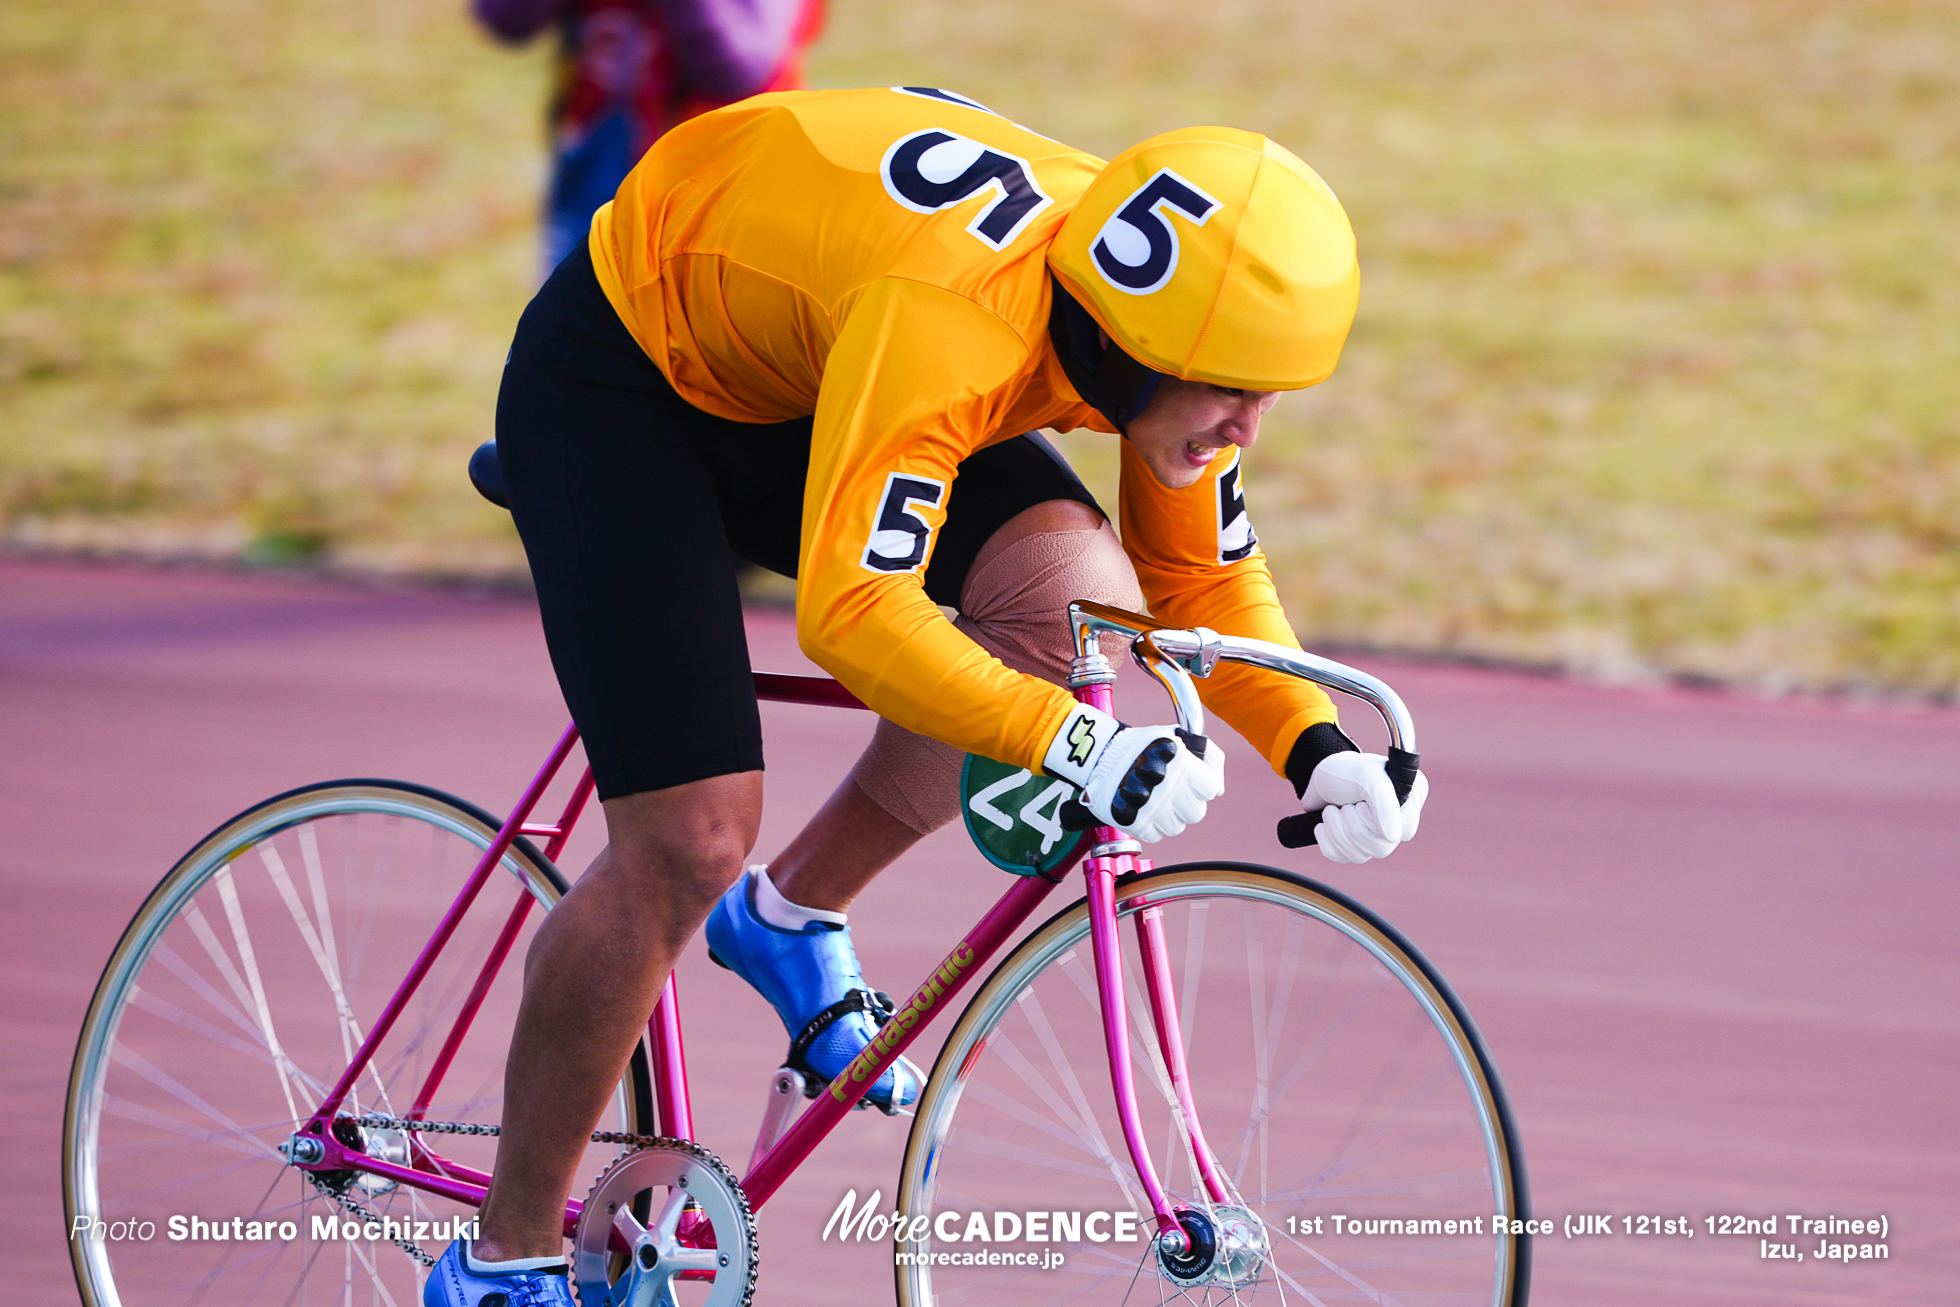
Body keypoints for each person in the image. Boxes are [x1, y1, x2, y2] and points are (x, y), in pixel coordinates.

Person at [423, 85, 1429, 1305]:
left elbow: (1199, 574)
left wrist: (1318, 750)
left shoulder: (1136, 325)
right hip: (629, 382)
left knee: (1072, 605)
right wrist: (1069, 742)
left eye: (1271, 394)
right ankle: (504, 1258)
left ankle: (788, 917)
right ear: (1128, 342)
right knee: (686, 839)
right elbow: (853, 611)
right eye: (1231, 388)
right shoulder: (958, 327)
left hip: (821, 344)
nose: (1250, 427)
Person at [472, 0, 825, 268]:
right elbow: (506, 21)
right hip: (597, 165)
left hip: (723, 189)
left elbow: (738, 68)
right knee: (579, 335)